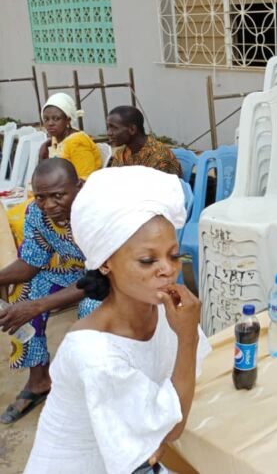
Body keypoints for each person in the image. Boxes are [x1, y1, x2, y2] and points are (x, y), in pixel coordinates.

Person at [24, 165, 209, 473]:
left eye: (174, 255)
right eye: (148, 260)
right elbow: (170, 428)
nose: (168, 269)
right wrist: (186, 337)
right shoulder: (95, 354)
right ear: (106, 263)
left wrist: (153, 433)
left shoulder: (163, 311)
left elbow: (171, 403)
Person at [0, 159, 100, 424]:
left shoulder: (97, 212)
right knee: (24, 290)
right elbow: (31, 262)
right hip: (73, 270)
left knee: (92, 307)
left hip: (112, 278)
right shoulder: (36, 213)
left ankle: (97, 387)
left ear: (78, 186)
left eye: (58, 195)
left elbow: (100, 279)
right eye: (41, 197)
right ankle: (39, 381)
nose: (49, 205)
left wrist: (38, 306)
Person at [38, 92, 102, 179]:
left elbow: (85, 179)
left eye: (56, 118)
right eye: (46, 119)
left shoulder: (78, 142)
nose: (50, 123)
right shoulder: (56, 138)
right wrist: (44, 149)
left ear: (68, 120)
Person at [107, 105, 183, 177]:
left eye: (114, 128)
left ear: (132, 129)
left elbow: (161, 189)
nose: (109, 133)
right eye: (109, 127)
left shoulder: (159, 156)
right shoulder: (120, 154)